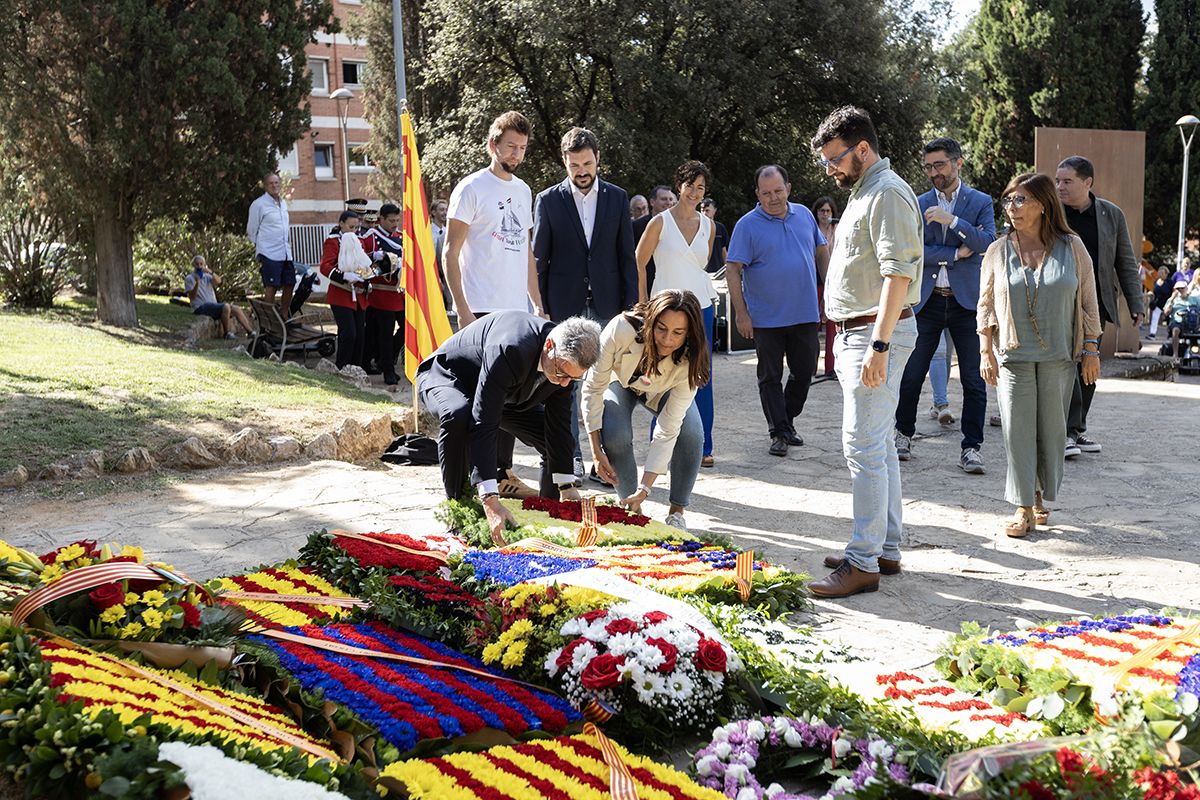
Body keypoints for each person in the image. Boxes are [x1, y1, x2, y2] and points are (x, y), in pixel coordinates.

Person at [808, 105, 921, 599]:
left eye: (834, 159)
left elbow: (900, 273)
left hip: (876, 333)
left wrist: (878, 343)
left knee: (863, 445)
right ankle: (884, 548)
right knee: (877, 443)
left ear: (862, 149)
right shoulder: (864, 191)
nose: (829, 169)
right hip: (863, 332)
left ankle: (862, 561)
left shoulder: (887, 193)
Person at [978, 172, 1102, 538]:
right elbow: (985, 304)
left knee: (1051, 430)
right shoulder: (998, 250)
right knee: (1017, 429)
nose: (1012, 208)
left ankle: (1040, 495)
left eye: (1021, 200)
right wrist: (985, 350)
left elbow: (1088, 300)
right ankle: (1023, 505)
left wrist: (1091, 349)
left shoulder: (1072, 246)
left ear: (1043, 205)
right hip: (1013, 355)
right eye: (1008, 201)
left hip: (1059, 355)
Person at [416, 312, 601, 544]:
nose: (564, 382)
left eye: (573, 378)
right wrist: (490, 500)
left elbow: (559, 424)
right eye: (562, 373)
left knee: (548, 435)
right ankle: (459, 511)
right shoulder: (510, 347)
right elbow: (484, 423)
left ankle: (547, 510)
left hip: (502, 392)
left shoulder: (563, 363)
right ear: (549, 345)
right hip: (449, 377)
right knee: (458, 416)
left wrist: (566, 485)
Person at [444, 110, 546, 498]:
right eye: (510, 147)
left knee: (511, 395)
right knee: (481, 397)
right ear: (492, 145)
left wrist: (537, 304)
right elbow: (450, 253)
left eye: (522, 148)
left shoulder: (523, 191)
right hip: (480, 309)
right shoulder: (470, 189)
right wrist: (463, 309)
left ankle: (501, 473)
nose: (517, 154)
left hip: (516, 310)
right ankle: (476, 477)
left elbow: (527, 254)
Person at [533, 127, 639, 478]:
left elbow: (627, 257)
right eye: (575, 164)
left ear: (598, 160)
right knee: (565, 384)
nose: (582, 171)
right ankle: (571, 457)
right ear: (565, 162)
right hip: (564, 308)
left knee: (606, 383)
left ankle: (604, 462)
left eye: (587, 163)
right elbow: (540, 261)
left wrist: (632, 307)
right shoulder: (548, 200)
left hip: (609, 307)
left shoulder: (617, 198)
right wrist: (541, 307)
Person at [894, 137, 996, 474]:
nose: (933, 172)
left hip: (967, 305)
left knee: (973, 379)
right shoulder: (916, 201)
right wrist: (954, 253)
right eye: (928, 167)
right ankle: (903, 434)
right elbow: (913, 252)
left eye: (939, 165)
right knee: (911, 375)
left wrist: (951, 222)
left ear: (958, 163)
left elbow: (987, 243)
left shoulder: (980, 201)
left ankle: (971, 447)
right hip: (928, 302)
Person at [582, 290, 708, 532]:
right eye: (661, 328)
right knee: (615, 433)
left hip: (663, 390)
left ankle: (676, 512)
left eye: (678, 333)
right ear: (651, 321)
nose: (667, 339)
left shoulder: (693, 358)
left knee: (691, 432)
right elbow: (593, 389)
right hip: (621, 382)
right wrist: (596, 452)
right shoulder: (621, 328)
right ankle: (631, 508)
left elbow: (667, 429)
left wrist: (646, 488)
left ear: (690, 333)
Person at [725, 164, 825, 458]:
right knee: (770, 376)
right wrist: (741, 314)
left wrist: (828, 287)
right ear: (757, 194)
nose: (773, 198)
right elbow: (733, 269)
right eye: (766, 193)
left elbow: (821, 249)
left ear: (788, 189)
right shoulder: (747, 225)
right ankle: (778, 431)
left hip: (805, 312)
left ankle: (786, 420)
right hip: (765, 318)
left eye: (778, 191)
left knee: (804, 372)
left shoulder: (805, 215)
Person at [1055, 156, 1144, 458]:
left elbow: (1126, 261)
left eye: (1067, 181)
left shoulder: (1111, 215)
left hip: (1097, 302)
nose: (1059, 187)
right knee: (1068, 364)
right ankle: (1066, 431)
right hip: (1061, 301)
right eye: (1057, 181)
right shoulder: (1052, 212)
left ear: (1087, 182)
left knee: (1089, 367)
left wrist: (1136, 302)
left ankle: (1076, 430)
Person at [635, 161, 718, 466]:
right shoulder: (659, 222)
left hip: (701, 309)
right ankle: (661, 443)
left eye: (701, 187)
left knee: (702, 375)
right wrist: (644, 302)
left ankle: (704, 447)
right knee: (662, 376)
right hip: (664, 310)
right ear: (679, 185)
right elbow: (639, 260)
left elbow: (702, 264)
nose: (695, 192)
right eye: (690, 185)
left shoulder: (708, 226)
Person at [319, 210, 370, 370]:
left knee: (360, 336)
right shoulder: (333, 241)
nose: (354, 231)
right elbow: (325, 266)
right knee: (348, 334)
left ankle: (356, 369)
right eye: (350, 227)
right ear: (341, 224)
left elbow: (364, 263)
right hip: (341, 294)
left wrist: (366, 273)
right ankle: (342, 367)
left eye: (356, 227)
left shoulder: (359, 240)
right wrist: (344, 275)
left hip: (359, 296)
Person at [361, 202, 405, 388]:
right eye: (391, 221)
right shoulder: (370, 237)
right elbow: (361, 264)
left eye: (397, 220)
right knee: (385, 333)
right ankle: (387, 369)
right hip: (381, 293)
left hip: (399, 293)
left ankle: (385, 359)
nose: (395, 224)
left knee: (407, 330)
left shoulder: (402, 237)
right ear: (382, 219)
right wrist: (374, 257)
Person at [246, 173, 295, 317]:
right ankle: (268, 320)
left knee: (290, 282)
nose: (274, 186)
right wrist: (261, 246)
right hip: (268, 252)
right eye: (271, 183)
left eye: (276, 183)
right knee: (272, 286)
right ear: (265, 186)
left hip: (285, 251)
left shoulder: (283, 203)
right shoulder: (258, 204)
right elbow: (251, 230)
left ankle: (284, 316)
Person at [184, 256, 252, 339]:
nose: (199, 266)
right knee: (225, 306)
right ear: (193, 265)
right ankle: (227, 333)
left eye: (201, 264)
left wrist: (210, 272)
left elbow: (219, 281)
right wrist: (197, 283)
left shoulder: (207, 276)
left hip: (213, 306)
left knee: (236, 309)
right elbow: (192, 297)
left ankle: (250, 332)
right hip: (200, 307)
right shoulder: (189, 278)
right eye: (197, 264)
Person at [812, 196, 840, 378]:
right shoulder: (810, 229)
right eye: (821, 210)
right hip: (813, 281)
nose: (825, 214)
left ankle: (831, 368)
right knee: (811, 325)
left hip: (833, 281)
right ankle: (810, 368)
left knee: (832, 327)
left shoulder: (837, 229)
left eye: (828, 211)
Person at [632, 185, 678, 294]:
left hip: (671, 285)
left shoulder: (679, 227)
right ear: (652, 202)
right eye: (663, 199)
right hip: (645, 284)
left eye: (670, 199)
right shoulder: (636, 226)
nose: (668, 202)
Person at [1164, 280, 1200, 358]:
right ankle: (1175, 354)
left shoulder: (1194, 299)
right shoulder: (1172, 300)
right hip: (1178, 321)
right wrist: (1172, 299)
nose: (1180, 290)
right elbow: (1166, 313)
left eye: (1182, 288)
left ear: (1186, 288)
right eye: (1178, 289)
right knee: (1175, 330)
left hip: (1193, 323)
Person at [430, 198, 451, 311]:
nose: (445, 213)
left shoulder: (449, 232)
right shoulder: (427, 232)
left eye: (446, 210)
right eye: (442, 209)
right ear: (433, 212)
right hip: (433, 275)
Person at [700, 198, 728, 274]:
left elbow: (724, 250)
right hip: (701, 271)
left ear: (714, 211)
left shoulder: (720, 228)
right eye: (702, 210)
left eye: (707, 210)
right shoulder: (696, 228)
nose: (704, 213)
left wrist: (727, 269)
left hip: (718, 271)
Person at [1149, 266, 1173, 339]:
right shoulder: (1156, 281)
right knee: (1155, 318)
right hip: (1158, 303)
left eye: (1163, 273)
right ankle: (1152, 334)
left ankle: (1170, 334)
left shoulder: (1170, 282)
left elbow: (1173, 292)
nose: (1161, 274)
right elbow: (1154, 291)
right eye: (1160, 273)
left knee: (1170, 319)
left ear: (1166, 273)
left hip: (1167, 303)